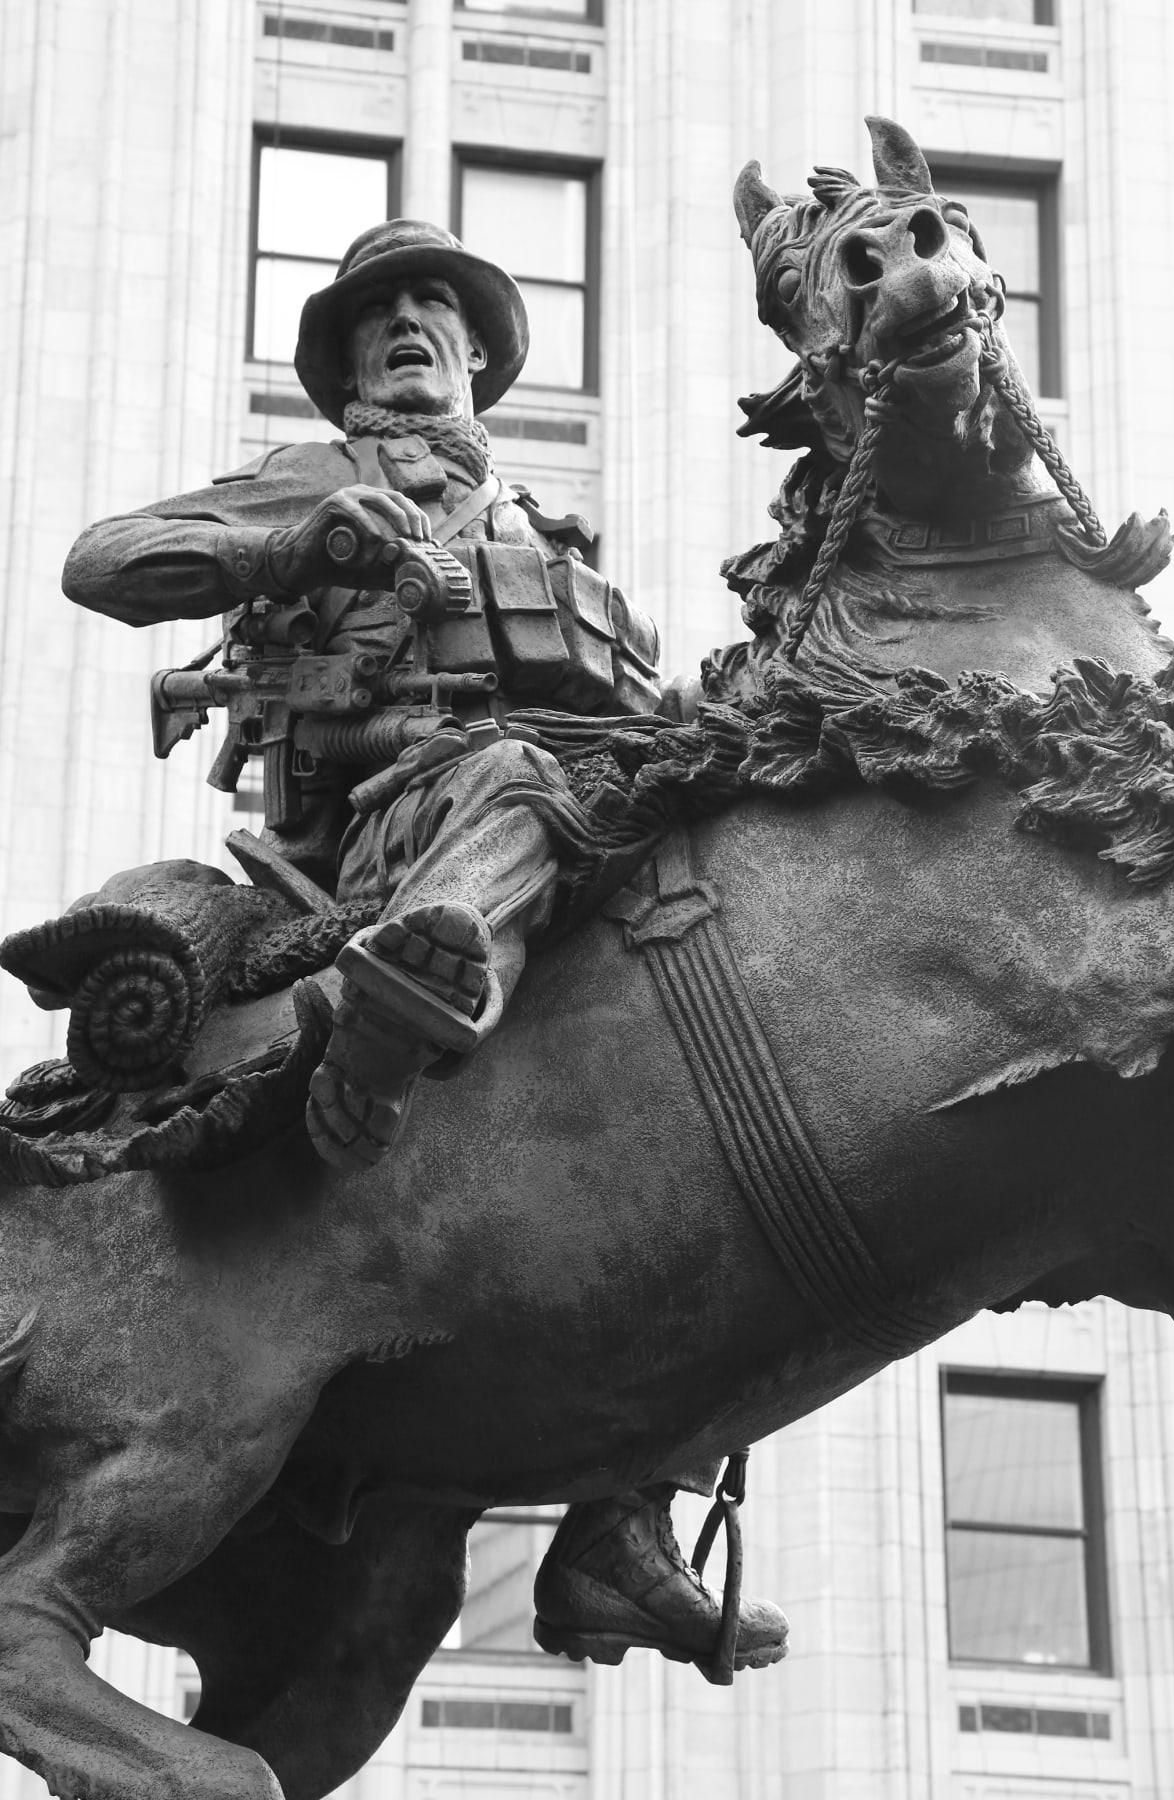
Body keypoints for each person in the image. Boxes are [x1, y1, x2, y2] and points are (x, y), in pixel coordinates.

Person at [62, 218, 788, 1676]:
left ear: (478, 358)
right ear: (347, 367)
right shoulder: (314, 476)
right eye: (383, 310)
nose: (412, 323)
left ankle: (616, 1531)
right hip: (390, 835)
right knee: (512, 782)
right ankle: (406, 1001)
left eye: (439, 307)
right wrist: (295, 543)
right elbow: (107, 559)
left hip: (575, 833)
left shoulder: (543, 527)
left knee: (747, 1056)